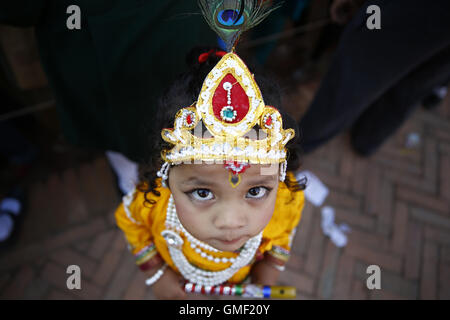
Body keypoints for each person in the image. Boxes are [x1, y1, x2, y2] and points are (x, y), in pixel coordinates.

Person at [115, 43, 306, 299]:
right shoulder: (153, 203)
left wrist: (272, 265)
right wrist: (156, 272)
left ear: (278, 176)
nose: (231, 222)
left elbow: (285, 229)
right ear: (167, 177)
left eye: (257, 190)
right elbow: (130, 221)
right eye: (202, 193)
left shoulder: (285, 198)